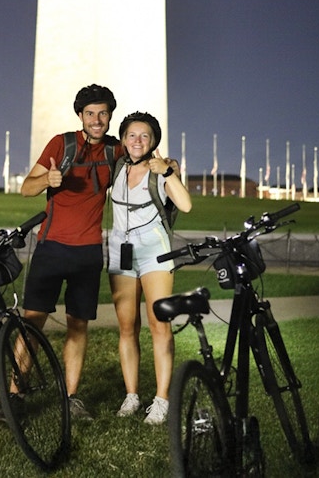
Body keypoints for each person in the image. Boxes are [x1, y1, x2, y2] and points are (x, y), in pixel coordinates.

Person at [18, 84, 123, 420]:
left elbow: (143, 157)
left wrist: (169, 165)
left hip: (89, 252)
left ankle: (72, 398)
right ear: (80, 116)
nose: (97, 119)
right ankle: (15, 396)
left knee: (78, 326)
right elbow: (25, 189)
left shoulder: (114, 151)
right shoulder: (60, 144)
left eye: (103, 113)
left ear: (109, 117)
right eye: (90, 113)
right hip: (51, 248)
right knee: (32, 323)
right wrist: (46, 180)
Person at [108, 112, 192, 425]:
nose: (138, 141)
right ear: (123, 139)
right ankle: (131, 396)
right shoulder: (117, 167)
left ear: (153, 140)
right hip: (120, 252)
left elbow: (185, 205)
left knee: (160, 324)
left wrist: (168, 172)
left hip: (155, 252)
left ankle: (162, 400)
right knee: (127, 326)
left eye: (145, 136)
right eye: (132, 135)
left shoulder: (163, 168)